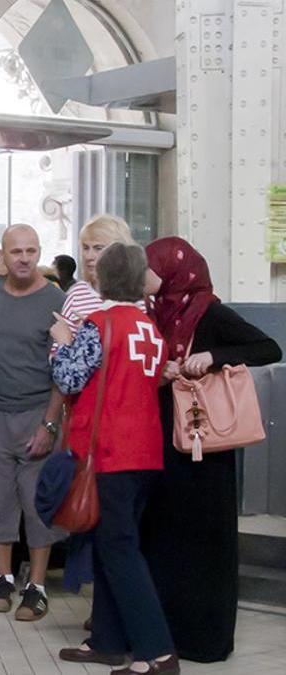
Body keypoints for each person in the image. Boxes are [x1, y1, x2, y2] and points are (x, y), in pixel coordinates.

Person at [140, 237, 282, 663]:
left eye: (152, 266)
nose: (145, 274)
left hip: (206, 450)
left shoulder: (209, 312)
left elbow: (267, 348)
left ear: (174, 270)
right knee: (164, 538)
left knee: (205, 543)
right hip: (163, 441)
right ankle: (167, 633)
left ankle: (206, 638)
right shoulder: (154, 314)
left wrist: (212, 356)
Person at [50, 243, 179, 675]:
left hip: (108, 451)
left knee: (120, 550)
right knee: (114, 546)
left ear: (100, 280)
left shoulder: (98, 325)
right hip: (145, 451)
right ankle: (106, 640)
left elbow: (69, 377)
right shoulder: (149, 327)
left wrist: (62, 342)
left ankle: (157, 652)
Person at [0, 224, 66, 622]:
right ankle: (3, 579)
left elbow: (63, 369)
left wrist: (49, 424)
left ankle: (36, 586)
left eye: (31, 251)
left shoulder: (55, 299)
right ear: (2, 255)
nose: (23, 258)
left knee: (37, 502)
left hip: (36, 412)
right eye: (16, 252)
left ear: (39, 253)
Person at [58, 215, 137, 333]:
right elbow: (59, 348)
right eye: (85, 248)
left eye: (98, 248)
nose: (89, 256)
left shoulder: (138, 296)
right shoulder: (76, 295)